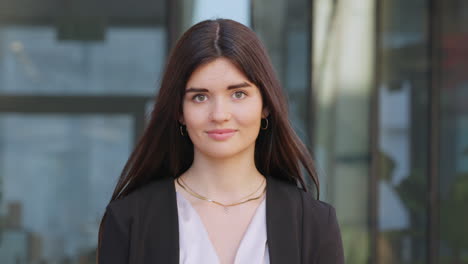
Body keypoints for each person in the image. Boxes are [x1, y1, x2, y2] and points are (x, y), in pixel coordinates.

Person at [98, 18, 344, 264]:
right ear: (179, 112)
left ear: (265, 105)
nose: (219, 115)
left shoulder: (313, 223)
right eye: (200, 97)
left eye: (238, 94)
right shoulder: (129, 220)